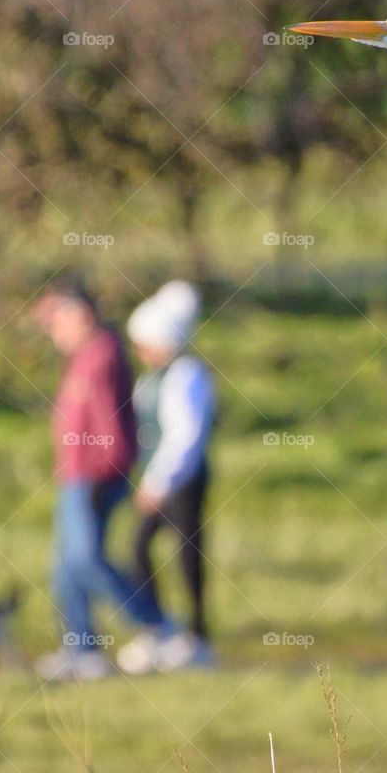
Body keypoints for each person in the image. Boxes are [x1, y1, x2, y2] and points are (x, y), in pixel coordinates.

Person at [33, 277, 187, 681]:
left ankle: (158, 625)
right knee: (67, 566)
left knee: (84, 559)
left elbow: (111, 429)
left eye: (57, 320)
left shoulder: (102, 356)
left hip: (94, 477)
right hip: (75, 476)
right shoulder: (85, 357)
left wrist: (105, 474)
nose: (52, 331)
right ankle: (81, 649)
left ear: (81, 315)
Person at [118, 281, 216, 674]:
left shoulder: (186, 375)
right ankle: (157, 627)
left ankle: (197, 635)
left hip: (182, 482)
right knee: (139, 549)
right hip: (155, 481)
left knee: (187, 555)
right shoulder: (150, 378)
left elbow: (186, 435)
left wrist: (159, 481)